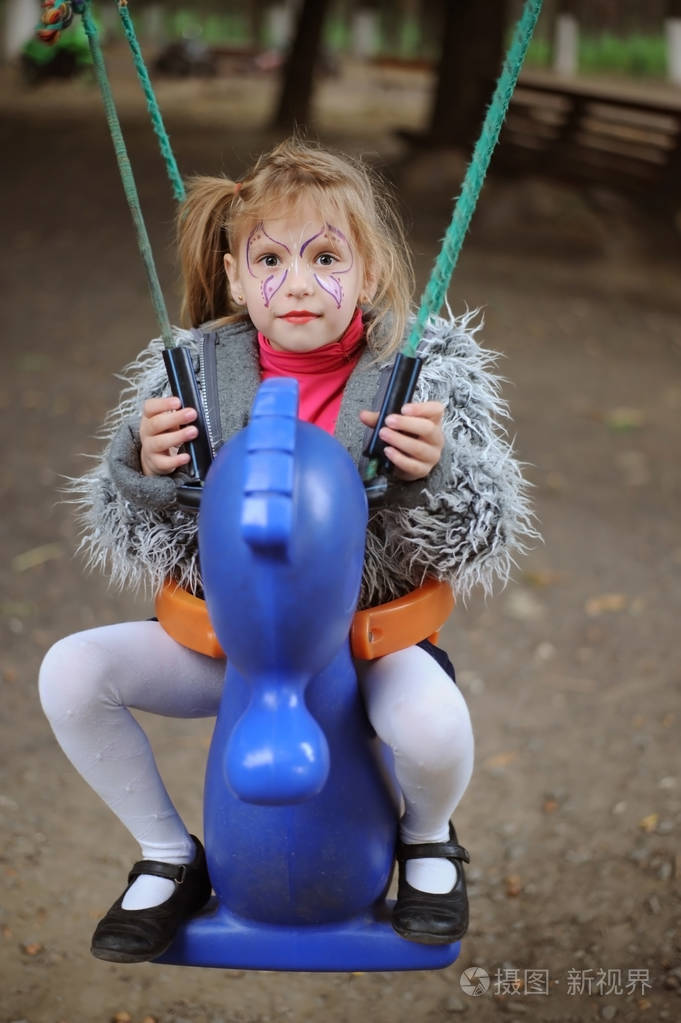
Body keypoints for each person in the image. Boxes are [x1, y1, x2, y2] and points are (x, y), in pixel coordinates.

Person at [39, 137, 534, 964]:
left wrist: (436, 473)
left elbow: (484, 530)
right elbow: (134, 533)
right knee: (71, 673)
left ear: (368, 274)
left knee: (433, 724)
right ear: (235, 278)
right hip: (233, 642)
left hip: (364, 640)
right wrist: (141, 467)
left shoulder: (418, 375)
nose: (297, 283)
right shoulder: (192, 375)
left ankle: (428, 840)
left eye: (326, 256)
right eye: (269, 258)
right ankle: (167, 853)